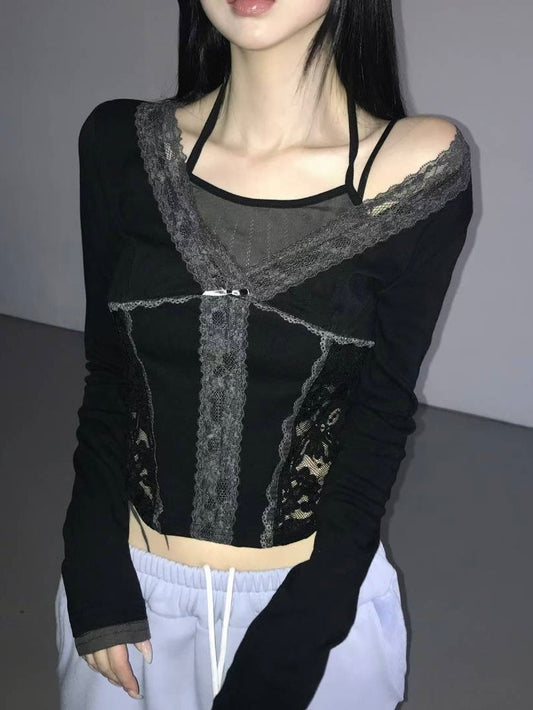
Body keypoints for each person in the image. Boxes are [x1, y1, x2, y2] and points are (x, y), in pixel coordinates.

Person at [54, 1, 473, 708]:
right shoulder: (116, 142)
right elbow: (108, 374)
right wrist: (91, 565)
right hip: (129, 616)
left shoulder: (418, 168)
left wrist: (298, 639)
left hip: (311, 613)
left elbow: (380, 414)